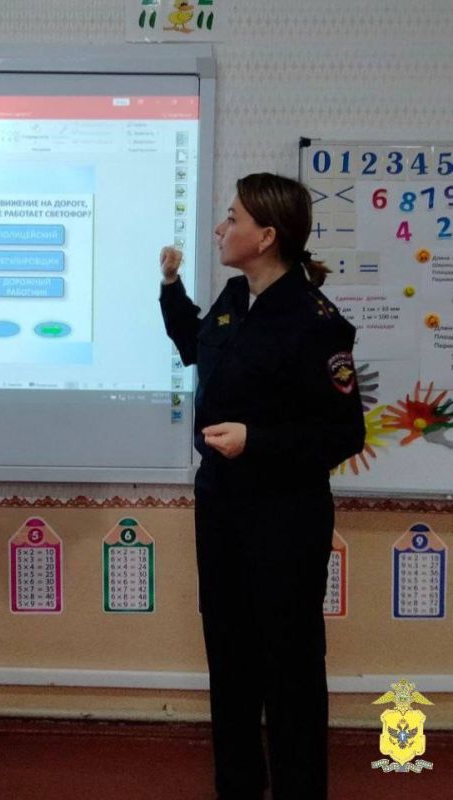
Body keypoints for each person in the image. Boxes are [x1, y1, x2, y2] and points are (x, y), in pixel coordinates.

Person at [158, 173, 366, 800]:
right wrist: (171, 289)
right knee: (229, 661)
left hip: (284, 520)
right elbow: (198, 345)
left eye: (233, 218)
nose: (221, 229)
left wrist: (258, 440)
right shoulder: (233, 297)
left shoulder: (316, 322)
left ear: (267, 236)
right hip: (222, 510)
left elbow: (344, 434)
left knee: (290, 669)